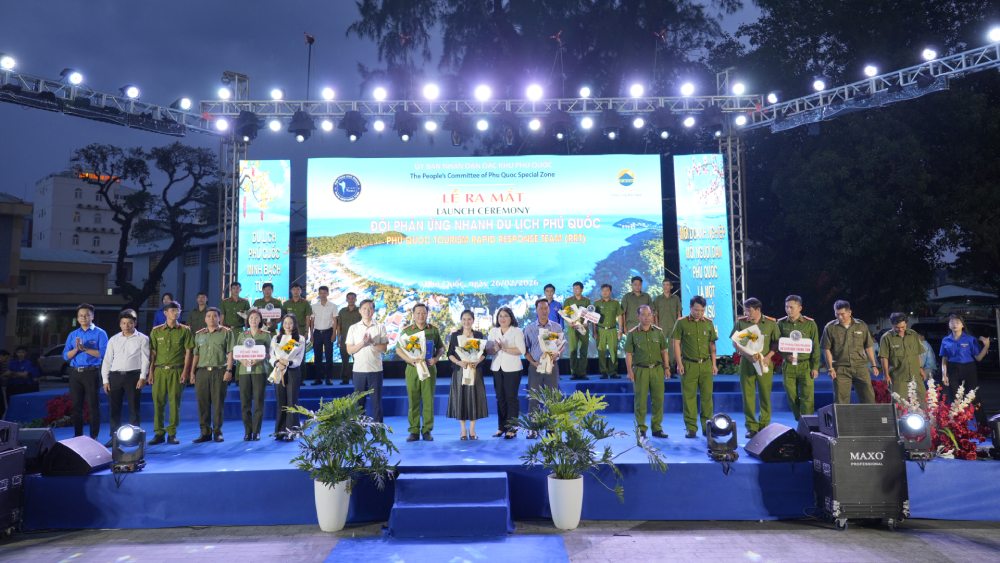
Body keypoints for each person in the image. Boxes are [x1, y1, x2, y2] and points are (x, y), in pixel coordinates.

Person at [731, 297, 781, 439]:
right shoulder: (741, 323)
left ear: (758, 310)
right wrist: (748, 356)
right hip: (747, 363)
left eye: (749, 311)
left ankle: (764, 425)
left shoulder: (771, 323)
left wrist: (768, 356)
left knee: (765, 394)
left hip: (764, 363)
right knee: (748, 396)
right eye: (745, 310)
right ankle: (751, 426)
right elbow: (735, 342)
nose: (747, 313)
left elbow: (776, 343)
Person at [100, 309, 149, 447]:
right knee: (114, 409)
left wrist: (142, 377)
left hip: (133, 376)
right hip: (115, 377)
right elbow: (107, 360)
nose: (126, 326)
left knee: (134, 408)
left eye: (130, 323)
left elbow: (145, 359)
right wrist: (105, 380)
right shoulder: (113, 339)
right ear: (120, 324)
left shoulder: (143, 338)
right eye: (124, 323)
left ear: (135, 323)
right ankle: (114, 437)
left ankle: (135, 438)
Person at [671, 295, 718, 439]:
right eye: (696, 310)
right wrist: (679, 363)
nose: (699, 313)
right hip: (688, 365)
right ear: (690, 308)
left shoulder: (708, 323)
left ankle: (707, 427)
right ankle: (691, 428)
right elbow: (676, 344)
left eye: (702, 310)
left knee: (707, 398)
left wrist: (714, 364)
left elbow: (712, 345)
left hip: (706, 365)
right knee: (689, 397)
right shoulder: (681, 323)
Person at [397, 303, 445, 441]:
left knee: (428, 400)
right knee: (413, 400)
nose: (421, 315)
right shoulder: (407, 331)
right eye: (418, 313)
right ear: (413, 315)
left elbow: (441, 348)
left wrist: (436, 358)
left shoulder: (433, 330)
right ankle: (414, 431)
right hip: (412, 369)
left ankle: (427, 430)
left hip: (429, 368)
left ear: (427, 314)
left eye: (423, 313)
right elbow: (398, 349)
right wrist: (409, 360)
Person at [148, 301, 194, 445]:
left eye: (177, 310)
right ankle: (159, 433)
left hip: (177, 370)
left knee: (174, 403)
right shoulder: (156, 331)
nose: (175, 313)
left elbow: (188, 353)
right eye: (172, 310)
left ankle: (172, 433)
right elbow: (153, 354)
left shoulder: (185, 330)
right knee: (158, 402)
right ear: (165, 313)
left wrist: (185, 372)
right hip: (159, 371)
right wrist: (150, 372)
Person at [62, 303, 108, 439]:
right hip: (75, 373)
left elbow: (103, 353)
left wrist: (85, 349)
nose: (84, 317)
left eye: (87, 315)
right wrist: (76, 349)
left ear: (92, 316)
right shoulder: (73, 334)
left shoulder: (100, 333)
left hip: (91, 373)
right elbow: (65, 356)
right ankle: (78, 437)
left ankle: (93, 437)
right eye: (81, 315)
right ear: (77, 318)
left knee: (93, 406)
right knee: (76, 407)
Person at [820, 300, 879, 404]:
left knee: (868, 398)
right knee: (841, 401)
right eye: (837, 314)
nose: (840, 317)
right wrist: (830, 368)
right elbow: (826, 349)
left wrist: (874, 365)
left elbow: (868, 346)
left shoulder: (861, 325)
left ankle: (868, 415)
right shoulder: (830, 327)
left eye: (842, 314)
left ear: (849, 312)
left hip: (860, 367)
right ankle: (843, 416)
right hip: (840, 368)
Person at [625, 305, 670, 439]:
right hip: (640, 370)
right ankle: (641, 429)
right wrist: (629, 371)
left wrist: (667, 368)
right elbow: (628, 354)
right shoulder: (632, 333)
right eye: (643, 315)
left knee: (658, 400)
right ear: (638, 316)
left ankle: (657, 428)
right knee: (640, 401)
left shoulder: (658, 332)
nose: (647, 317)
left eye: (649, 314)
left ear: (652, 316)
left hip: (657, 369)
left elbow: (664, 351)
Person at [939, 314, 991, 427]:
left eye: (957, 322)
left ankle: (983, 426)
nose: (954, 324)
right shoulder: (946, 340)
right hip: (953, 369)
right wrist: (944, 374)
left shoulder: (970, 339)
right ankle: (958, 426)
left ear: (962, 325)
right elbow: (944, 358)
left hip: (969, 369)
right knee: (955, 398)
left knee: (973, 396)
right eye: (952, 322)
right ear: (949, 325)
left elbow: (978, 358)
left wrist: (986, 346)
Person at [523, 298, 564, 438]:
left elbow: (561, 346)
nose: (543, 311)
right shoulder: (529, 328)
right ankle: (533, 428)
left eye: (546, 308)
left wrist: (558, 354)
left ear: (549, 309)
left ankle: (551, 428)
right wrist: (533, 362)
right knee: (534, 397)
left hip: (552, 366)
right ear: (536, 310)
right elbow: (525, 349)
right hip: (535, 367)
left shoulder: (556, 327)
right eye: (540, 308)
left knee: (552, 397)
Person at [191, 307, 233, 443]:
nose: (211, 318)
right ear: (205, 319)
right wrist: (192, 372)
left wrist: (229, 370)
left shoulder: (226, 332)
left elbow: (230, 353)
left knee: (218, 403)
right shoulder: (199, 334)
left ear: (219, 318)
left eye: (215, 316)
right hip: (202, 372)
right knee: (202, 403)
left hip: (219, 371)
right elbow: (196, 355)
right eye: (208, 316)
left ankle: (217, 432)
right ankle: (205, 432)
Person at [776, 295, 820, 421]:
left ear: (800, 308)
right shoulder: (780, 323)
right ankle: (799, 419)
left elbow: (816, 346)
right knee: (791, 395)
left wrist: (815, 367)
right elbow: (776, 343)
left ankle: (807, 423)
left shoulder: (810, 324)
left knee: (807, 396)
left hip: (806, 365)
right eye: (786, 307)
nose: (788, 310)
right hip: (788, 365)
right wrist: (785, 355)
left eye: (791, 307)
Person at [447, 309, 488, 440]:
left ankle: (472, 429)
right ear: (461, 320)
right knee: (461, 399)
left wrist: (477, 362)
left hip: (475, 371)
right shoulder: (455, 335)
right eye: (464, 319)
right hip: (460, 372)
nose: (466, 321)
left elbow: (484, 353)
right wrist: (459, 362)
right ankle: (463, 430)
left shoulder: (478, 335)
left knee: (474, 398)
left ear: (473, 320)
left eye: (469, 319)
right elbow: (450, 354)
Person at [345, 299, 388, 421]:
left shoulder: (380, 327)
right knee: (359, 404)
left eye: (370, 308)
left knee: (376, 402)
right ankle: (359, 429)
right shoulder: (353, 328)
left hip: (376, 370)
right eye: (364, 308)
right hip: (359, 370)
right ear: (359, 311)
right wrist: (363, 343)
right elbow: (349, 350)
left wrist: (372, 342)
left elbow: (384, 348)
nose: (367, 311)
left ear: (373, 311)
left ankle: (379, 429)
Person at [232, 309, 271, 440]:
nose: (254, 320)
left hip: (259, 370)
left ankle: (256, 431)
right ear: (247, 320)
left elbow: (270, 353)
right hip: (244, 371)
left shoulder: (265, 335)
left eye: (256, 318)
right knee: (245, 402)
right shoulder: (242, 335)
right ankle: (247, 431)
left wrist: (259, 358)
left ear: (260, 320)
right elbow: (237, 352)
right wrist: (242, 360)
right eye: (251, 318)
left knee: (259, 401)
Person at [487, 307, 525, 439]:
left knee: (511, 398)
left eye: (506, 316)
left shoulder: (517, 331)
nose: (502, 318)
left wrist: (504, 348)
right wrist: (494, 348)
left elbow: (521, 350)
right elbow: (489, 350)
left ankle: (512, 428)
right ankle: (501, 427)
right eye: (500, 316)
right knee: (500, 398)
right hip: (497, 367)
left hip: (513, 369)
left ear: (511, 318)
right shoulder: (493, 331)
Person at [272, 313, 307, 440]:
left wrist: (288, 362)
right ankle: (280, 431)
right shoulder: (276, 338)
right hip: (278, 370)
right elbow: (272, 355)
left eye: (290, 323)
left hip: (292, 371)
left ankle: (291, 431)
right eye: (285, 323)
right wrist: (277, 363)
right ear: (282, 324)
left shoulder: (299, 338)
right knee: (280, 401)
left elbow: (299, 358)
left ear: (295, 324)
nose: (288, 325)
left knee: (292, 401)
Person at [879, 313, 927, 406]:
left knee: (923, 402)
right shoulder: (886, 338)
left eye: (903, 327)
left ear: (906, 324)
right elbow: (884, 357)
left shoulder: (913, 334)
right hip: (898, 377)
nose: (900, 330)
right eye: (897, 327)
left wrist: (921, 368)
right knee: (899, 404)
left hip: (915, 375)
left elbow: (917, 353)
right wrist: (886, 375)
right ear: (892, 324)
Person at [592, 283, 623, 379]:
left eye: (607, 290)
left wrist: (620, 330)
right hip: (600, 330)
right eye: (603, 291)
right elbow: (593, 318)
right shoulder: (596, 303)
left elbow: (620, 316)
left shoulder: (615, 303)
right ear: (601, 292)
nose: (605, 292)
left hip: (612, 330)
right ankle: (603, 372)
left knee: (613, 351)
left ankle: (613, 372)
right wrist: (594, 331)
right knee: (601, 351)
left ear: (610, 292)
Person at [2, 346, 42, 419]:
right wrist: (18, 374)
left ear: (25, 353)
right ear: (16, 353)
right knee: (11, 405)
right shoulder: (12, 362)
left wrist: (12, 373)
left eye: (22, 352)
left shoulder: (28, 363)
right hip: (11, 387)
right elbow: (6, 374)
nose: (20, 354)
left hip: (23, 387)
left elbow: (24, 375)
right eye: (19, 352)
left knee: (22, 406)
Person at [652, 279, 682, 372]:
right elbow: (655, 314)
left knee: (673, 347)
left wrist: (678, 326)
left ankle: (672, 367)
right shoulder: (658, 299)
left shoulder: (676, 298)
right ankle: (663, 367)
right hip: (661, 327)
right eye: (664, 285)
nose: (665, 287)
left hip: (673, 326)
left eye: (667, 285)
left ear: (671, 287)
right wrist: (656, 326)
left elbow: (679, 313)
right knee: (661, 347)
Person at [563, 281, 591, 380]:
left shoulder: (587, 301)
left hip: (583, 328)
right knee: (573, 350)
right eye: (574, 288)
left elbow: (589, 314)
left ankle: (582, 373)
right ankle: (574, 373)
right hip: (573, 328)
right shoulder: (568, 301)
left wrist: (587, 322)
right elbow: (565, 314)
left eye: (577, 288)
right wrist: (569, 322)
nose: (575, 290)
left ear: (582, 289)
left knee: (583, 350)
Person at [311, 285, 338, 386]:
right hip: (317, 333)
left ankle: (329, 378)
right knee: (317, 356)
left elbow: (335, 321)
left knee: (329, 356)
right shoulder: (314, 306)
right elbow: (312, 321)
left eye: (324, 293)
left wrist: (334, 333)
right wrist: (311, 334)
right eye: (321, 293)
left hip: (328, 332)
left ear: (328, 293)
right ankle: (318, 378)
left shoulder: (333, 306)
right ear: (319, 294)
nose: (323, 295)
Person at [337, 292, 362, 385]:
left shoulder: (360, 311)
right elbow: (339, 325)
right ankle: (345, 379)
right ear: (346, 300)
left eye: (353, 298)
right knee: (345, 360)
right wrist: (338, 337)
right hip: (344, 339)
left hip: (357, 339)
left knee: (358, 360)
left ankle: (358, 379)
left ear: (355, 299)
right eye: (349, 298)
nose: (351, 300)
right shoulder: (342, 311)